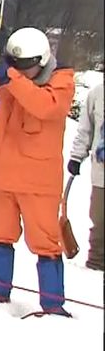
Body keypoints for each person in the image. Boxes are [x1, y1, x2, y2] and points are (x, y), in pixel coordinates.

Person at [0, 27, 75, 315]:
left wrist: (11, 75)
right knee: (0, 233)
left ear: (41, 61)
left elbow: (44, 106)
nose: (20, 70)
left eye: (25, 66)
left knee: (44, 242)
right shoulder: (12, 77)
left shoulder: (61, 83)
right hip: (2, 174)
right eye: (15, 64)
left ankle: (53, 305)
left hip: (37, 182)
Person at [69, 79, 104, 272]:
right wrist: (76, 156)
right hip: (101, 172)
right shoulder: (97, 94)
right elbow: (85, 130)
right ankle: (96, 266)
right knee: (100, 221)